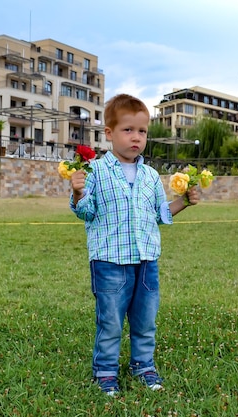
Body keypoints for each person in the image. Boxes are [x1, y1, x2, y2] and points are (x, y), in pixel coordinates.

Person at [69, 94, 200, 396]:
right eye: (128, 130)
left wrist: (184, 201)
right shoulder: (94, 172)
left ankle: (143, 365)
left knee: (145, 321)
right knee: (111, 321)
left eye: (142, 131)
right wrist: (77, 193)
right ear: (109, 134)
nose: (136, 137)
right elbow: (85, 212)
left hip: (146, 262)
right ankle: (105, 372)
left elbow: (160, 214)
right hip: (110, 263)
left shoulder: (151, 176)